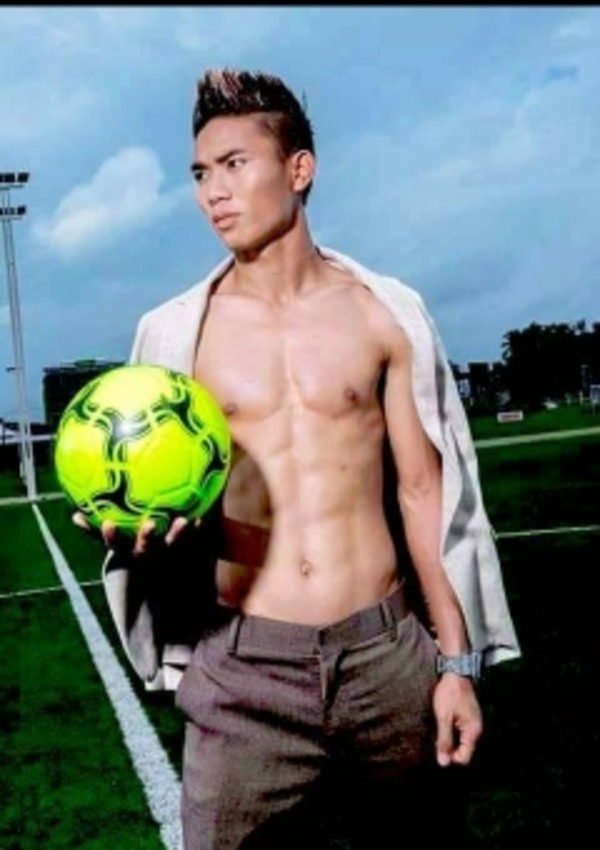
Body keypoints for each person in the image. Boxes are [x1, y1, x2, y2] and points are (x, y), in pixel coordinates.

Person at [75, 68, 520, 849]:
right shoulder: (176, 337)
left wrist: (456, 664)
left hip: (385, 658)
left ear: (299, 169)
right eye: (200, 174)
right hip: (244, 665)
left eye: (234, 164)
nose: (213, 192)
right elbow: (155, 503)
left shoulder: (383, 315)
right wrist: (138, 539)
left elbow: (425, 494)